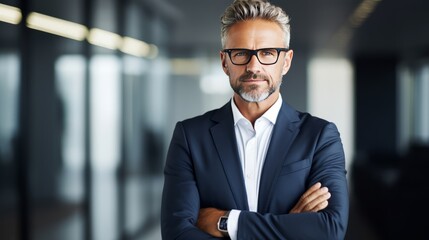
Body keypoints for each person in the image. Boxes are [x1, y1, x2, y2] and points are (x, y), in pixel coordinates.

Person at [161, 0, 349, 239]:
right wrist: (289, 227)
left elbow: (330, 230)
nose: (254, 66)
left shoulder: (320, 136)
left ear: (287, 61)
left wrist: (228, 222)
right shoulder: (190, 136)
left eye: (267, 53)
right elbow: (176, 234)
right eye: (240, 53)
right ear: (224, 62)